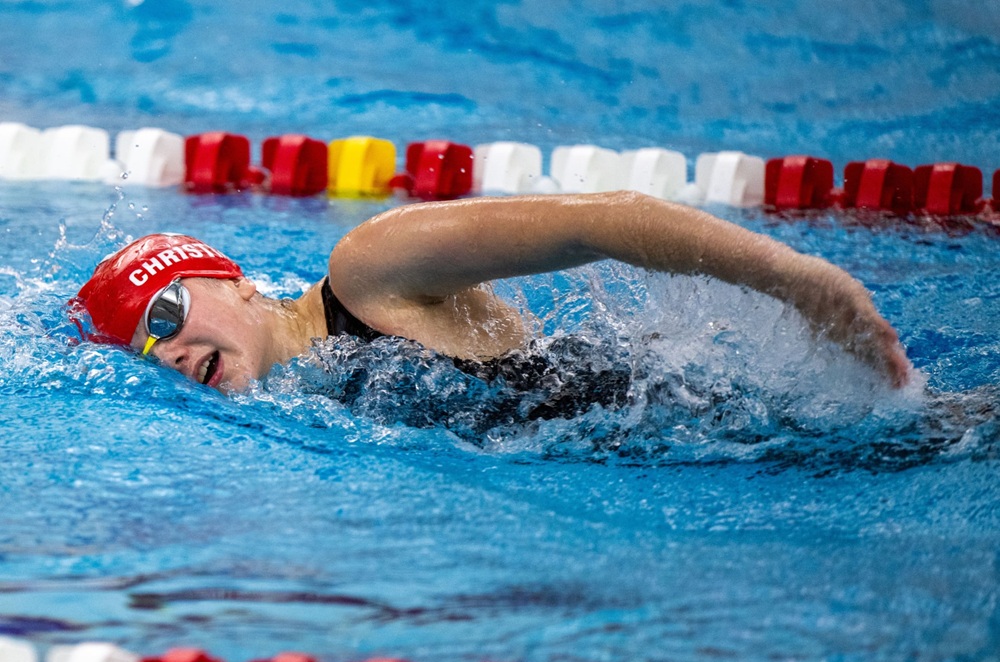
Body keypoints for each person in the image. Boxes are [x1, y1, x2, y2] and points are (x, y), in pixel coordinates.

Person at [73, 191, 912, 394]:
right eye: (149, 348)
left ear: (234, 281)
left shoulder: (368, 272)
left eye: (166, 313)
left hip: (707, 422)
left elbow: (608, 221)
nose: (171, 351)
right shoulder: (311, 396)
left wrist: (801, 283)